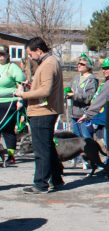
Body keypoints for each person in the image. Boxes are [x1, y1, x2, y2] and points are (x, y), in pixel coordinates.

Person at [16, 37, 65, 193]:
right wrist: (31, 86)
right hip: (46, 111)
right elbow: (44, 87)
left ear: (39, 50)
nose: (30, 57)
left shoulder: (48, 64)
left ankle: (40, 184)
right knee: (48, 147)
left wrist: (23, 95)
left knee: (41, 150)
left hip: (42, 112)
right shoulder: (50, 62)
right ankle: (56, 179)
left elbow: (45, 91)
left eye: (30, 54)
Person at [68, 54, 98, 169]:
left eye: (82, 64)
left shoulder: (92, 80)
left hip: (85, 114)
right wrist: (67, 93)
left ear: (88, 66)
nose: (79, 65)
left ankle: (92, 160)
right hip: (74, 113)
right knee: (76, 138)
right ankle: (80, 159)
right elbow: (69, 89)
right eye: (78, 63)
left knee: (86, 138)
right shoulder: (75, 78)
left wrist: (74, 95)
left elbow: (89, 97)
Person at [0, 44, 25, 166]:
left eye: (2, 54)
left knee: (7, 129)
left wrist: (20, 99)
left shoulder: (12, 67)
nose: (0, 57)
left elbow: (21, 84)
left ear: (7, 56)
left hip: (8, 102)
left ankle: (10, 156)